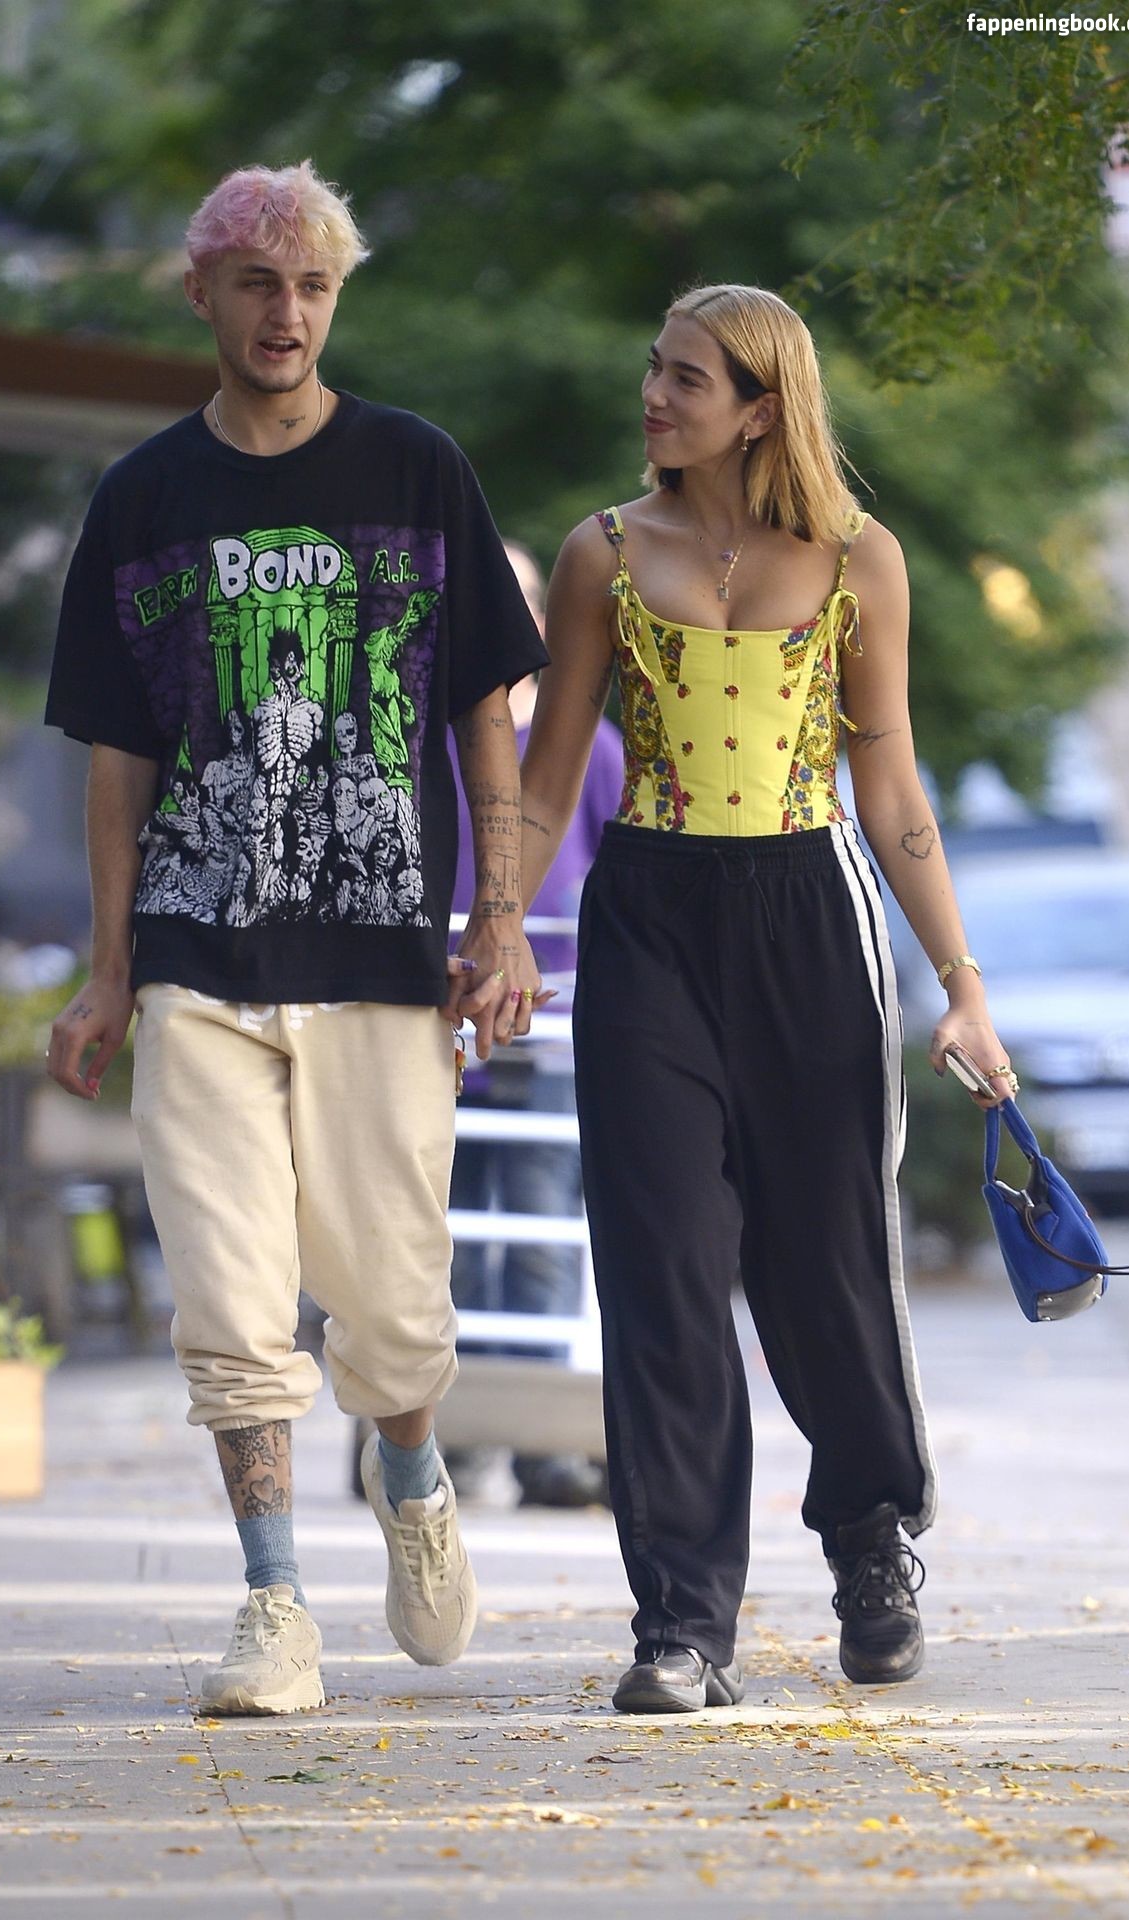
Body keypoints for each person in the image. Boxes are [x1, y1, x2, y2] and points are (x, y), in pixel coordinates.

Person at [43, 161, 548, 1716]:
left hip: (383, 961)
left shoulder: (416, 469)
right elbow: (118, 765)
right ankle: (274, 1605)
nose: (288, 314)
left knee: (390, 1310)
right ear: (202, 292)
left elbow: (486, 715)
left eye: (315, 287)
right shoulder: (142, 498)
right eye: (260, 284)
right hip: (198, 962)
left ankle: (411, 1477)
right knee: (229, 1301)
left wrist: (501, 919)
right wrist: (111, 971)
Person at [519, 284, 1017, 1714]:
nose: (652, 395)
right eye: (654, 368)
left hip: (812, 912)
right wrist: (496, 930)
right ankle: (680, 1623)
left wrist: (962, 987)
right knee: (663, 1269)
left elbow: (892, 785)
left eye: (685, 378)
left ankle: (868, 1538)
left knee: (824, 1265)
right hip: (648, 918)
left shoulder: (860, 558)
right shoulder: (601, 553)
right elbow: (548, 784)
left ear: (758, 407)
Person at [446, 542, 622, 1508]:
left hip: (549, 1029)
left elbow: (613, 876)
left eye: (516, 600)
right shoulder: (424, 743)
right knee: (445, 1236)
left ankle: (543, 1442)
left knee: (544, 1226)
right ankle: (458, 1434)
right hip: (442, 1028)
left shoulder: (588, 747)